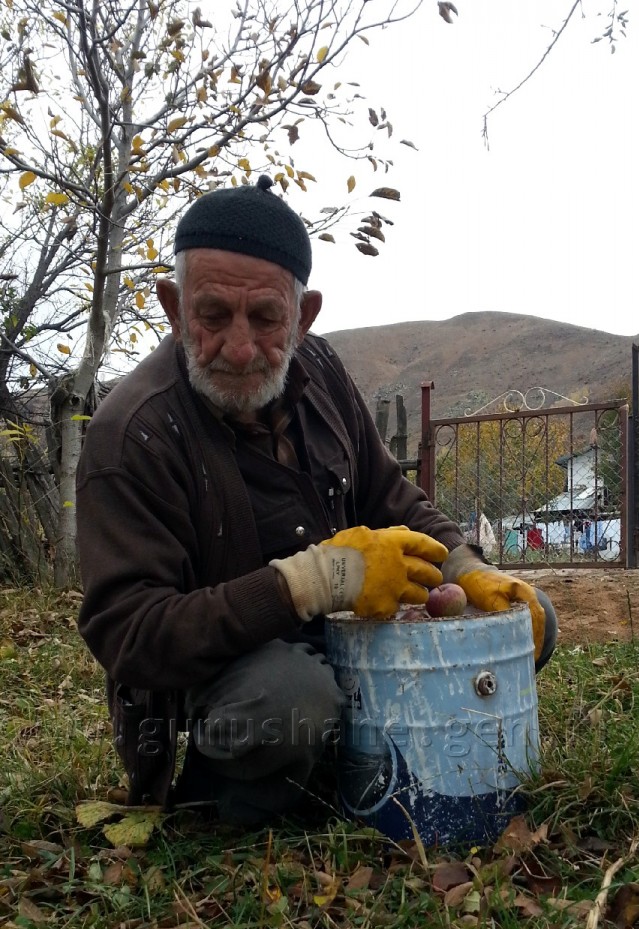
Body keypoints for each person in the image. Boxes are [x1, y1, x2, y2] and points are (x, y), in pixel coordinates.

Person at [76, 175, 557, 825]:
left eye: (267, 318)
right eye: (212, 315)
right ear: (171, 306)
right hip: (220, 681)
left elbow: (392, 498)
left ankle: (358, 756)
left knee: (528, 621)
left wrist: (466, 568)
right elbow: (129, 636)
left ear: (303, 318)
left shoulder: (322, 372)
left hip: (346, 643)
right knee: (290, 699)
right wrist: (309, 582)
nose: (240, 348)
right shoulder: (131, 432)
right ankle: (213, 791)